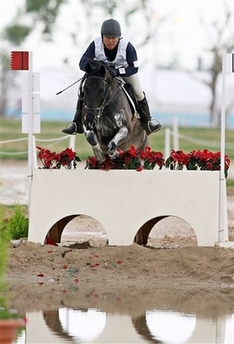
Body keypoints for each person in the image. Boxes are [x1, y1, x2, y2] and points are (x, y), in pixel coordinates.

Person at [62, 18, 161, 135]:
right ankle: (77, 123)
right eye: (107, 37)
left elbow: (134, 68)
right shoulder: (95, 44)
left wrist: (117, 72)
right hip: (101, 72)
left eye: (113, 38)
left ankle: (147, 122)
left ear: (119, 38)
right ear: (102, 36)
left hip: (123, 70)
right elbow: (82, 63)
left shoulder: (127, 46)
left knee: (138, 92)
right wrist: (94, 66)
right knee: (85, 89)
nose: (110, 41)